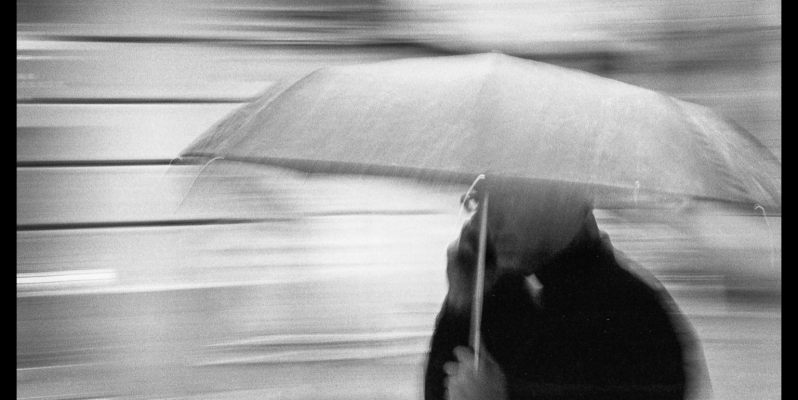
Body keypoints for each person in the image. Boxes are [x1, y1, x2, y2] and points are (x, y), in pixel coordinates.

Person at [424, 177, 710, 400]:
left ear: (567, 203)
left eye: (512, 197)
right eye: (485, 200)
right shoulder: (501, 291)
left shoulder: (634, 314)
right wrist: (459, 305)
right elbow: (441, 389)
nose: (493, 219)